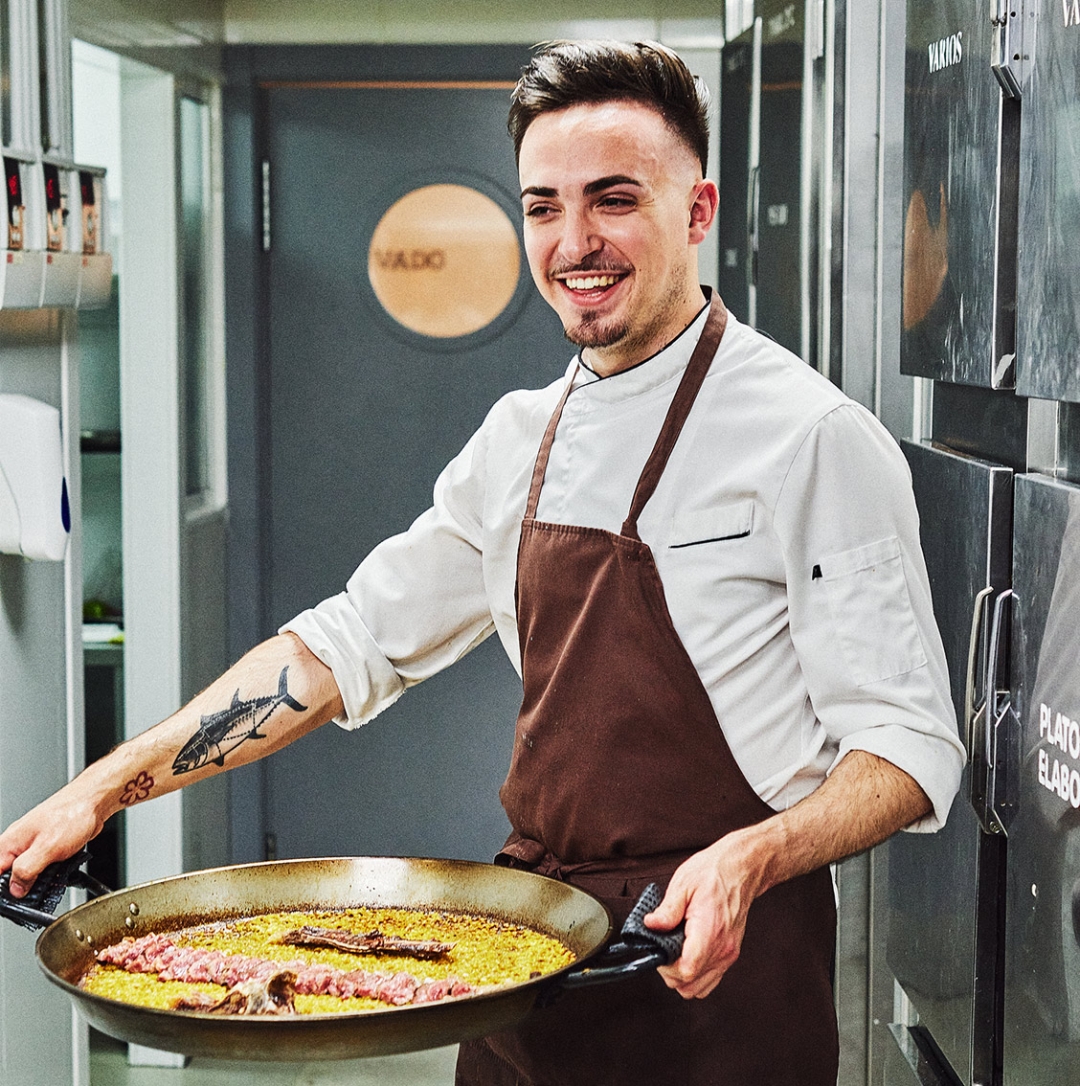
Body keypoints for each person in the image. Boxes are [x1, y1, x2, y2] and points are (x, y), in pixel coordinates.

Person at [0, 40, 963, 1085]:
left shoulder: (812, 435)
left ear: (698, 211)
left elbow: (910, 750)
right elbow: (344, 646)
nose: (574, 241)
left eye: (613, 200)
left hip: (720, 980)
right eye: (544, 206)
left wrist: (751, 857)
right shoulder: (522, 440)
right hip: (531, 959)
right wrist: (101, 792)